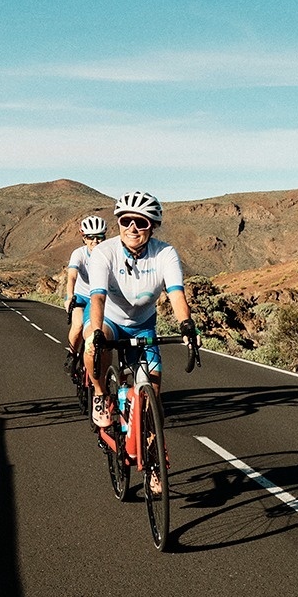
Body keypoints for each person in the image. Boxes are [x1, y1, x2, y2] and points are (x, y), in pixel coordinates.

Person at [84, 192, 198, 490]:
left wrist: (186, 324)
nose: (132, 228)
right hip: (108, 319)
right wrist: (96, 331)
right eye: (126, 221)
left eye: (141, 222)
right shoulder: (104, 252)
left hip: (143, 326)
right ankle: (99, 393)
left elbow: (175, 293)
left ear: (153, 225)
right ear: (118, 223)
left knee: (151, 397)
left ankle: (153, 461)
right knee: (92, 345)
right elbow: (97, 296)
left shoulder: (165, 254)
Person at [62, 215, 107, 378]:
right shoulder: (79, 254)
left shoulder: (108, 253)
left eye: (99, 237)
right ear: (84, 238)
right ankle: (72, 354)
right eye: (90, 237)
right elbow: (72, 276)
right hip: (81, 296)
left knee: (103, 331)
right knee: (79, 325)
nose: (95, 241)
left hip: (101, 297)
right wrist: (69, 297)